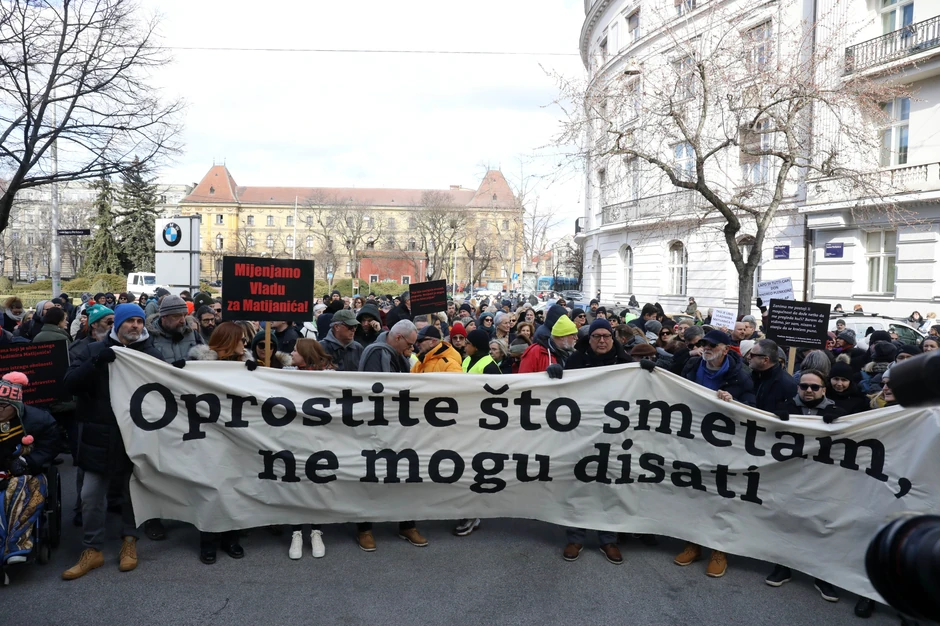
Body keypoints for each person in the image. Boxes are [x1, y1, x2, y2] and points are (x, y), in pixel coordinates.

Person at [62, 304, 164, 580]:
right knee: (91, 497)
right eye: (129, 321)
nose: (135, 326)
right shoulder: (93, 350)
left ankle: (129, 542)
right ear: (116, 324)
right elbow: (69, 385)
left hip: (134, 438)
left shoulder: (151, 354)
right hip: (98, 437)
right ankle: (92, 549)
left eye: (139, 321)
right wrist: (96, 363)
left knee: (132, 495)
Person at [676, 330, 754, 578]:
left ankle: (719, 550)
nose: (705, 347)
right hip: (691, 439)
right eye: (703, 343)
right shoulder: (692, 365)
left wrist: (734, 402)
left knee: (720, 497)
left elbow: (752, 409)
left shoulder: (740, 377)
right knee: (692, 493)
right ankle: (694, 543)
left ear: (726, 349)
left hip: (723, 445)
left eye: (711, 344)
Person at [766, 370, 845, 602]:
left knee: (821, 526)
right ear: (797, 388)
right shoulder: (785, 407)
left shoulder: (840, 412)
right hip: (790, 477)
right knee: (787, 521)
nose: (808, 390)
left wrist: (842, 420)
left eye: (814, 387)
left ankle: (822, 575)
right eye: (804, 386)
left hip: (824, 480)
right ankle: (783, 566)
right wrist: (774, 418)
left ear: (824, 390)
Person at [356, 320, 426, 550]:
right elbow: (380, 389)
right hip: (377, 425)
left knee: (407, 474)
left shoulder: (398, 356)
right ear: (397, 338)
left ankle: (407, 524)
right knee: (372, 476)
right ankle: (364, 529)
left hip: (400, 425)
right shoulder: (377, 353)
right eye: (410, 343)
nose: (412, 348)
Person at [186, 322, 252, 563]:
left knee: (235, 487)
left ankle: (231, 538)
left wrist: (256, 372)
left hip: (238, 435)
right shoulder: (201, 367)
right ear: (228, 341)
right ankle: (208, 541)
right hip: (209, 434)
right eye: (241, 340)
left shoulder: (247, 365)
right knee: (211, 488)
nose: (244, 344)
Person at [0, 372, 60, 566]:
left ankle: (15, 545)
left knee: (21, 486)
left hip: (27, 473)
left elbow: (50, 447)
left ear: (15, 405)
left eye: (2, 406)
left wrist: (28, 462)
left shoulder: (40, 420)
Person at [287, 338, 331, 560]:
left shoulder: (329, 377)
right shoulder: (285, 375)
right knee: (296, 483)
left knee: (317, 484)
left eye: (295, 350)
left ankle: (316, 531)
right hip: (294, 438)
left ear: (306, 354)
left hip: (320, 439)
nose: (291, 353)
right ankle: (296, 532)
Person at [146, 295, 204, 364]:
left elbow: (204, 362)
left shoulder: (192, 334)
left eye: (184, 315)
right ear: (164, 317)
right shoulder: (149, 336)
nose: (183, 321)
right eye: (177, 316)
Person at [518, 310, 578, 375]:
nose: (576, 338)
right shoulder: (535, 352)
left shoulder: (572, 355)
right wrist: (546, 375)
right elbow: (523, 379)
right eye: (573, 335)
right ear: (562, 337)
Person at [748, 339, 797, 412]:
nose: (748, 357)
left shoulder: (787, 384)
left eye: (752, 355)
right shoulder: (749, 377)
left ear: (765, 360)